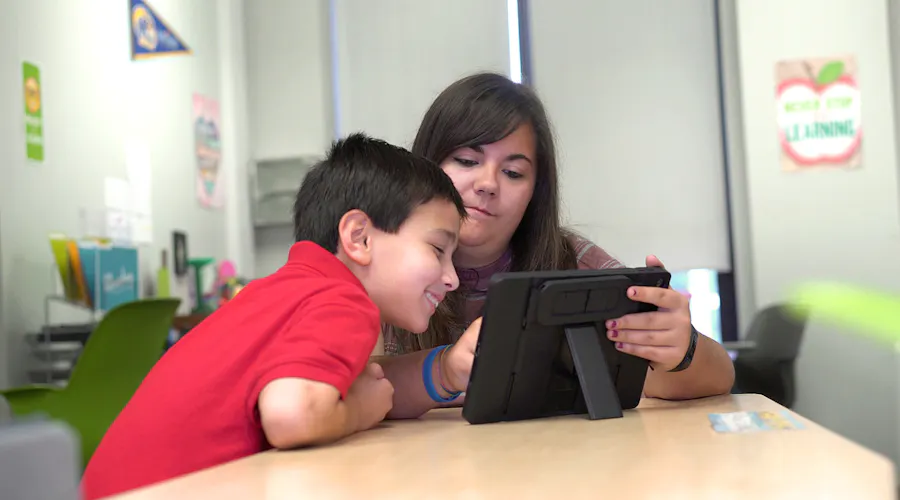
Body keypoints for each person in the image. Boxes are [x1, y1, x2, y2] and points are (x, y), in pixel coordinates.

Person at [81, 133, 466, 499]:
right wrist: (359, 411)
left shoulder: (282, 291)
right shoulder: (342, 301)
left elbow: (359, 388)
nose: (452, 278)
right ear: (359, 237)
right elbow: (291, 415)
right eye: (437, 250)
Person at [377, 73, 736, 418]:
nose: (488, 184)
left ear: (535, 192)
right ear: (426, 164)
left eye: (513, 172)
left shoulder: (571, 262)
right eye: (467, 161)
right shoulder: (380, 260)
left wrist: (679, 349)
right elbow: (354, 389)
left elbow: (704, 379)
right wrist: (442, 371)